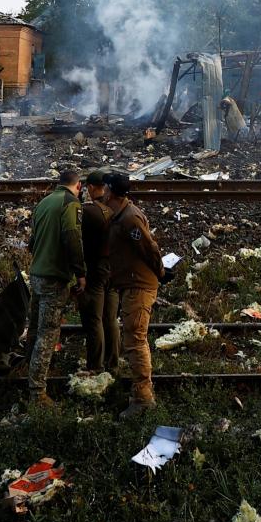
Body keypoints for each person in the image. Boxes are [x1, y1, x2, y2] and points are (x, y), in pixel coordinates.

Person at [104, 172, 167, 419]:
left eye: (105, 189)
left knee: (135, 339)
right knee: (133, 337)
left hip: (139, 286)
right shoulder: (121, 215)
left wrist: (160, 271)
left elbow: (149, 248)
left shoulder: (130, 219)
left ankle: (143, 398)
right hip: (130, 284)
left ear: (110, 191)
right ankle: (140, 391)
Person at [26, 169, 86, 406]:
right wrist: (81, 273)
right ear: (78, 186)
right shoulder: (70, 204)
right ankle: (37, 392)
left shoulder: (43, 202)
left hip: (37, 273)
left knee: (34, 328)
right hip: (54, 277)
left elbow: (32, 242)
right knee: (47, 333)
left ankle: (26, 371)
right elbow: (72, 237)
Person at [79, 171, 119, 373]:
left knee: (94, 318)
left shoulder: (88, 211)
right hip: (114, 268)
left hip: (96, 268)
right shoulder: (114, 208)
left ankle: (95, 365)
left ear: (92, 187)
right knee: (110, 318)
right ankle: (113, 363)